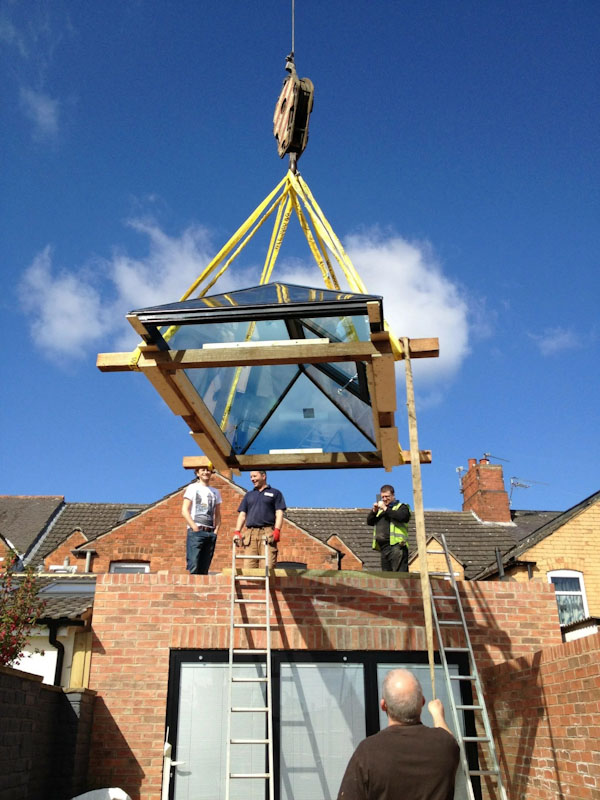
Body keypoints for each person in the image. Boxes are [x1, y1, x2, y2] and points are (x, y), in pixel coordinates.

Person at [337, 669, 459, 800]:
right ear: (422, 702)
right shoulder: (445, 746)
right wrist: (437, 714)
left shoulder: (367, 752)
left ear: (383, 705)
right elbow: (447, 736)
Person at [233, 470, 286, 568]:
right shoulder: (249, 495)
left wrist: (277, 530)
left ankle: (268, 583)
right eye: (251, 477)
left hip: (267, 533)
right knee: (249, 567)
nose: (252, 479)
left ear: (263, 476)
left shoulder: (275, 493)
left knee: (267, 567)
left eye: (254, 476)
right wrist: (237, 531)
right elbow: (242, 514)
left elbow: (279, 513)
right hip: (251, 534)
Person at [181, 465, 222, 574]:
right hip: (196, 532)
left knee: (205, 566)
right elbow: (185, 510)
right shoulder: (193, 488)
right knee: (193, 564)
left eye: (208, 470)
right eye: (203, 470)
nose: (206, 472)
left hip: (210, 532)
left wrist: (216, 531)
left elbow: (217, 514)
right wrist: (194, 527)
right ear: (197, 473)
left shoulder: (215, 492)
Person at [366, 484, 411, 572]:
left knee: (399, 575)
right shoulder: (380, 511)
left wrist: (385, 509)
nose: (385, 499)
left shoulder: (401, 507)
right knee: (387, 577)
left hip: (397, 546)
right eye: (383, 497)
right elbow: (370, 522)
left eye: (387, 496)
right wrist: (374, 511)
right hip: (384, 548)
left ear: (393, 496)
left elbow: (403, 517)